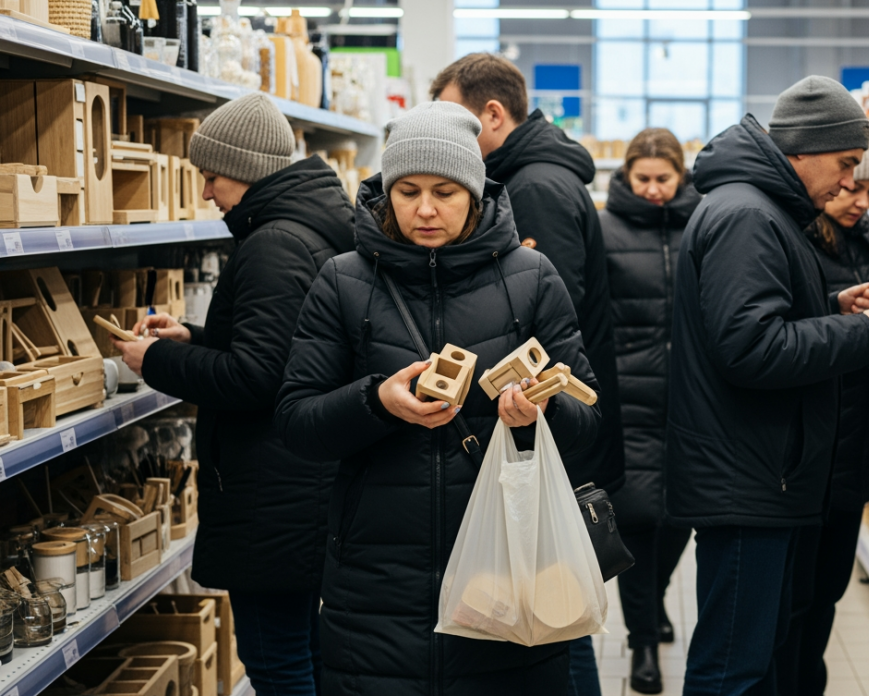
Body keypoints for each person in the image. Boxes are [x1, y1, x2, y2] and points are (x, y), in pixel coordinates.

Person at [274, 101, 602, 695]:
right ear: (385, 192)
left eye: (445, 191)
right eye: (407, 190)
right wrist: (377, 402)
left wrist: (539, 414)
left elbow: (588, 422)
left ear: (475, 193)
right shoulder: (343, 281)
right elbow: (298, 423)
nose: (425, 209)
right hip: (374, 593)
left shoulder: (531, 277)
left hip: (505, 577)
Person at [666, 76, 869, 695]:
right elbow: (750, 348)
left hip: (764, 470)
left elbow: (759, 320)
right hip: (749, 477)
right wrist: (865, 334)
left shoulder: (762, 210)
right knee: (730, 669)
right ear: (805, 150)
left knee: (755, 661)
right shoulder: (747, 216)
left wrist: (833, 305)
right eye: (844, 164)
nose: (847, 182)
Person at [112, 92, 354, 696]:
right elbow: (281, 345)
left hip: (272, 492)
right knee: (305, 645)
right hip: (300, 483)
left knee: (274, 659)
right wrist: (195, 336)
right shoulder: (306, 228)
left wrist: (159, 359)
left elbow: (257, 377)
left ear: (245, 171)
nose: (204, 193)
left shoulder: (275, 244)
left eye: (211, 176)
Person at [430, 52, 621, 694]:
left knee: (552, 607)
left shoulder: (532, 187)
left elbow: (538, 328)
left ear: (492, 113)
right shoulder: (544, 174)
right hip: (546, 424)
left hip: (544, 422)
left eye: (458, 122)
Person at [780, 130, 869, 695]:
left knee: (826, 591)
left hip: (855, 445)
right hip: (810, 445)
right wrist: (856, 329)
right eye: (853, 185)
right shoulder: (800, 240)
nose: (861, 201)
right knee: (791, 599)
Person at [600, 128, 701, 694]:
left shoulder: (702, 228)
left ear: (681, 176)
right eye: (643, 179)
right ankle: (642, 642)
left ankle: (655, 601)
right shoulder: (604, 228)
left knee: (680, 517)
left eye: (665, 179)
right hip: (628, 399)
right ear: (627, 176)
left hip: (690, 402)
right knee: (636, 523)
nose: (655, 189)